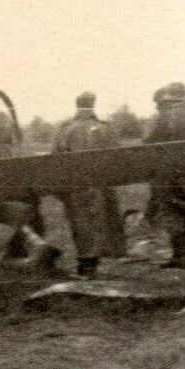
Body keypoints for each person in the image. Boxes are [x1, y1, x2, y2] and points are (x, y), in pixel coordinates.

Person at [52, 91, 125, 278]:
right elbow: (119, 158)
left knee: (81, 224)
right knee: (102, 222)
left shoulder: (66, 129)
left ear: (77, 104)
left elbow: (55, 159)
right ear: (93, 104)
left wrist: (60, 188)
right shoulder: (106, 128)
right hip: (102, 184)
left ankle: (86, 266)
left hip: (77, 184)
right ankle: (93, 264)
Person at [144, 81, 185, 268]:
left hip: (167, 171)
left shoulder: (163, 117)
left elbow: (147, 140)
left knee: (171, 212)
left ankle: (181, 256)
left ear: (169, 97)